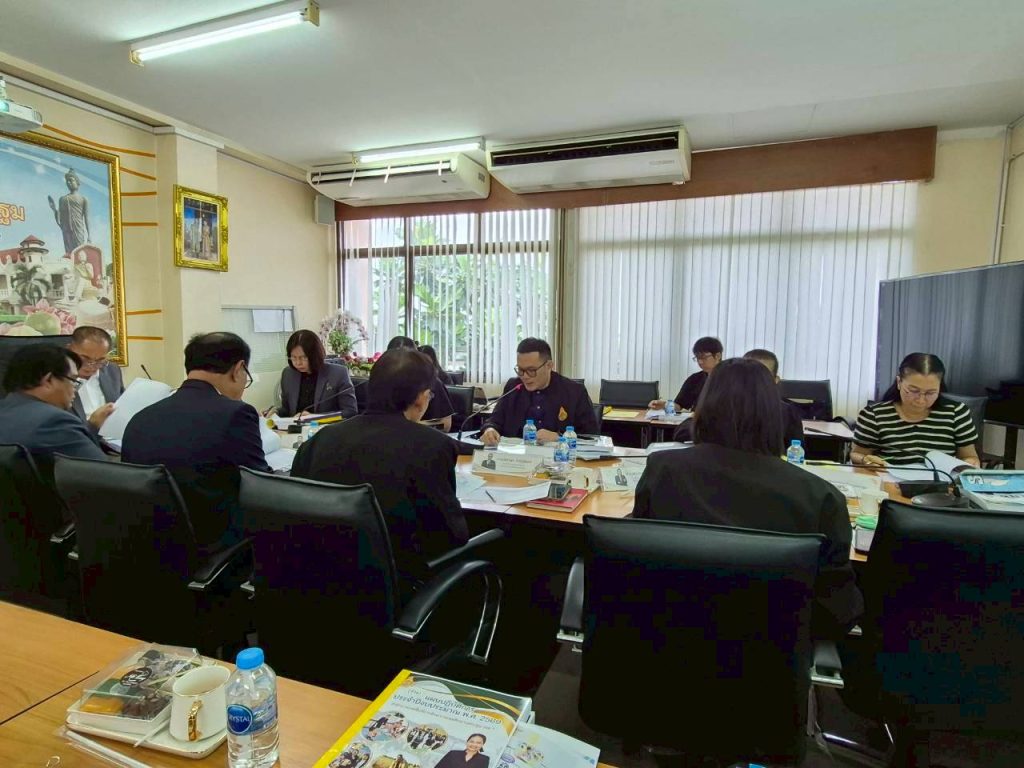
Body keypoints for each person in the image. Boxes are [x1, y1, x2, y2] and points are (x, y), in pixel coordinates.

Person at [633, 358, 863, 639]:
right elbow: (838, 612)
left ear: (705, 407)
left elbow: (636, 557)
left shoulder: (663, 470)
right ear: (775, 413)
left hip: (669, 633)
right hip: (772, 647)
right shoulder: (820, 497)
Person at [290, 348, 469, 580]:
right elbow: (451, 535)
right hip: (396, 585)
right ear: (421, 398)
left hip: (317, 579)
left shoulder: (317, 441)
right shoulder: (432, 446)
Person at [121, 332, 271, 553]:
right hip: (214, 546)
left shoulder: (141, 417)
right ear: (238, 369)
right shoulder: (235, 413)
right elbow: (261, 486)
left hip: (149, 546)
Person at [851, 352, 980, 468]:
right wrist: (865, 460)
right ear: (899, 382)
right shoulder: (874, 415)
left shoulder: (956, 413)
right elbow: (857, 454)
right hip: (890, 482)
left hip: (941, 484)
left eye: (930, 393)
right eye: (913, 391)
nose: (921, 400)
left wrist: (971, 463)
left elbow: (969, 456)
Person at [479, 337, 598, 445]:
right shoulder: (513, 386)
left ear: (549, 365)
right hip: (516, 457)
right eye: (520, 370)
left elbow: (592, 437)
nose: (525, 376)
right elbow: (494, 421)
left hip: (559, 457)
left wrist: (560, 437)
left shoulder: (574, 392)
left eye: (531, 370)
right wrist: (490, 430)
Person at [0, 344, 106, 460]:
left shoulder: (4, 410)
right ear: (48, 380)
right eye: (73, 380)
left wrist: (92, 426)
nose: (75, 389)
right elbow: (102, 468)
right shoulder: (55, 421)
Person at [273, 329, 357, 418]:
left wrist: (316, 417)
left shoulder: (338, 373)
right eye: (293, 357)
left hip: (326, 426)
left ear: (315, 355)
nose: (298, 363)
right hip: (294, 426)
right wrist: (276, 412)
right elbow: (287, 410)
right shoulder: (288, 374)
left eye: (303, 357)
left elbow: (350, 411)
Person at [386, 336, 455, 431]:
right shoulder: (379, 384)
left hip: (420, 436)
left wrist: (409, 426)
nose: (401, 361)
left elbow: (445, 424)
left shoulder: (432, 382)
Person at [742, 348, 804, 447]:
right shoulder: (725, 408)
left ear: (775, 380)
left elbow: (795, 450)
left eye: (763, 375)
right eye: (750, 374)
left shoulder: (787, 413)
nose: (756, 380)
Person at [67, 325, 123, 433]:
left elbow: (121, 403)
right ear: (69, 349)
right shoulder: (56, 379)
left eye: (100, 360)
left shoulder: (112, 370)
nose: (91, 366)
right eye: (84, 359)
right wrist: (92, 424)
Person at [651, 336, 723, 412]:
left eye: (704, 357)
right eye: (697, 358)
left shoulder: (730, 378)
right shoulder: (695, 379)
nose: (700, 362)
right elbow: (679, 406)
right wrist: (664, 405)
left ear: (718, 356)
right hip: (697, 418)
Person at [48, 168, 90, 254]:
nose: (69, 183)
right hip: (66, 229)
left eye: (71, 180)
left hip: (78, 228)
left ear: (77, 182)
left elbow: (86, 218)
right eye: (67, 181)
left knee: (79, 252)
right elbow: (60, 220)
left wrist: (89, 235)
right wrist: (54, 209)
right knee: (69, 253)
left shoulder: (83, 199)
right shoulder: (63, 199)